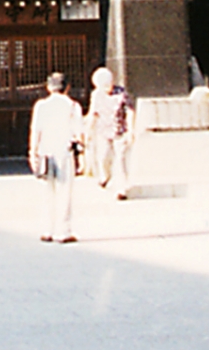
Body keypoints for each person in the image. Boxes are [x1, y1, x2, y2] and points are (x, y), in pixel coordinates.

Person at [28, 71, 83, 243]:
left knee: (46, 192)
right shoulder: (73, 106)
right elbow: (79, 133)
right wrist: (81, 155)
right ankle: (64, 231)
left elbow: (36, 130)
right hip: (65, 152)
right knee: (64, 191)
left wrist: (32, 152)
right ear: (67, 87)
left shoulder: (41, 106)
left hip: (45, 151)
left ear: (48, 87)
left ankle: (47, 230)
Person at [85, 66, 135, 199]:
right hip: (103, 131)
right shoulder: (96, 95)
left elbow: (130, 111)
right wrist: (89, 130)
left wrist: (131, 130)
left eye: (107, 84)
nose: (106, 88)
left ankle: (121, 189)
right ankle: (105, 176)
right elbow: (93, 113)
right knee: (103, 157)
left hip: (120, 130)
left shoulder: (121, 93)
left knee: (121, 159)